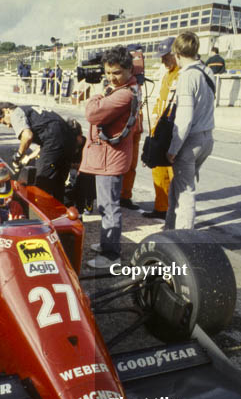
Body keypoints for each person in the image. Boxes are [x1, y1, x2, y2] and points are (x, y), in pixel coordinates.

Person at [79, 46, 141, 269]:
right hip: (109, 157)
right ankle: (107, 244)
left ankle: (111, 255)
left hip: (110, 159)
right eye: (108, 73)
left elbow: (92, 114)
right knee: (106, 205)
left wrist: (98, 93)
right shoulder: (126, 88)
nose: (112, 78)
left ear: (128, 70)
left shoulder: (123, 94)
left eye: (117, 73)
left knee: (109, 207)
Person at [165, 32, 215, 230]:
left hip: (190, 141)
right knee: (178, 186)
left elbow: (184, 119)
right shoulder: (207, 72)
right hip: (207, 139)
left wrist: (173, 148)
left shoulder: (187, 76)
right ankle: (169, 229)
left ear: (177, 54)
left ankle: (183, 237)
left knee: (185, 193)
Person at [0, 102, 76, 203]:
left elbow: (27, 136)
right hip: (69, 140)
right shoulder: (31, 109)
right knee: (58, 183)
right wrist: (29, 157)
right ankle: (62, 213)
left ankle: (40, 213)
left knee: (40, 181)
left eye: (4, 122)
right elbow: (48, 142)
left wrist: (19, 155)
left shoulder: (16, 113)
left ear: (6, 111)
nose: (8, 126)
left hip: (54, 141)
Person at [144, 37, 179, 220]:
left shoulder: (183, 74)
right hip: (161, 125)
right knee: (157, 167)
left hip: (173, 127)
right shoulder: (167, 75)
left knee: (173, 172)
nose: (162, 61)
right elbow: (161, 99)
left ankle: (174, 210)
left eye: (165, 57)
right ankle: (160, 206)